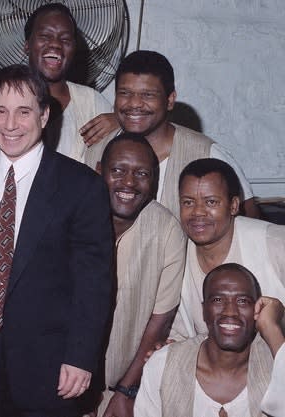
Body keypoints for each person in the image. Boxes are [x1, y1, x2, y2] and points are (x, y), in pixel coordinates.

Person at [0, 64, 113, 417]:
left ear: (44, 115)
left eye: (24, 112)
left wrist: (81, 358)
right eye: (0, 111)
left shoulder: (81, 185)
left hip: (51, 365)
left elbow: (94, 283)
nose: (10, 125)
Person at [96, 50, 259, 218]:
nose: (135, 103)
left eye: (148, 95)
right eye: (125, 93)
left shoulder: (207, 153)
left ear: (170, 100)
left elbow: (250, 219)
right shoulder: (97, 146)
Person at [92, 133, 186, 417]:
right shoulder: (72, 215)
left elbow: (160, 320)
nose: (129, 183)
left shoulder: (166, 229)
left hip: (126, 381)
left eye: (141, 173)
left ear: (154, 182)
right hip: (62, 378)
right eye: (118, 170)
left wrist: (125, 390)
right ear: (99, 172)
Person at [135, 263, 285, 416]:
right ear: (204, 310)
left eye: (242, 301)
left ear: (257, 309)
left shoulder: (274, 362)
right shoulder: (163, 365)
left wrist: (272, 328)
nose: (230, 312)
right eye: (218, 300)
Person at [171, 158, 285, 340]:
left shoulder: (275, 243)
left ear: (233, 206)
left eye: (211, 202)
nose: (198, 212)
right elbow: (177, 334)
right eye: (188, 202)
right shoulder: (174, 255)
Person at [24, 2, 118, 165]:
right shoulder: (5, 96)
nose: (55, 44)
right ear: (27, 46)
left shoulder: (92, 103)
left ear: (74, 49)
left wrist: (122, 123)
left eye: (65, 39)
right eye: (45, 36)